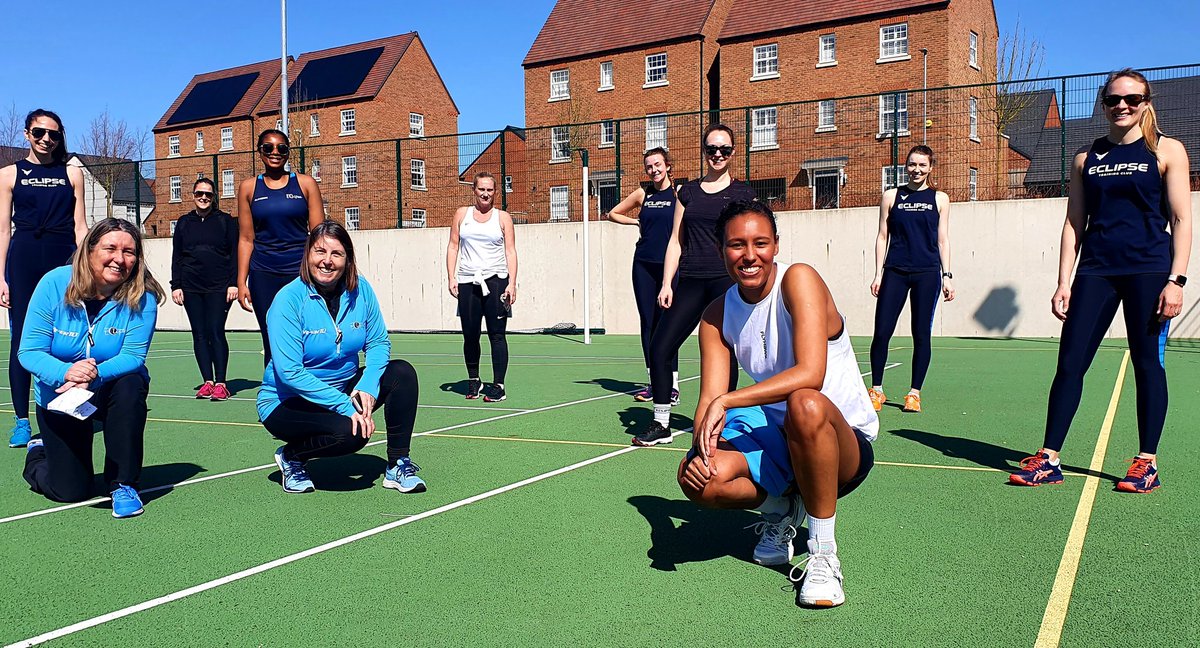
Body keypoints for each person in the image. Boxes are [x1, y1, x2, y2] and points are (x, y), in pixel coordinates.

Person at [678, 200, 877, 608]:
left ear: (776, 246)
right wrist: (701, 452)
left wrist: (729, 400)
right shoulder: (716, 315)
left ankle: (823, 554)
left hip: (841, 442)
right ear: (721, 251)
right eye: (737, 244)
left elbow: (811, 374)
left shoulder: (799, 279)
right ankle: (783, 508)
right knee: (698, 478)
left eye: (760, 243)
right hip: (781, 438)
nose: (749, 255)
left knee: (805, 403)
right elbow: (708, 400)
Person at [1011, 69, 1192, 493]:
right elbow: (1074, 222)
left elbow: (1182, 219)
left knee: (1147, 363)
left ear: (1146, 102)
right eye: (1113, 100)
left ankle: (1146, 463)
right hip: (1095, 271)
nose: (1122, 106)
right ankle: (1049, 458)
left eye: (1132, 98)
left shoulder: (1167, 150)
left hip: (1149, 270)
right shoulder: (1085, 157)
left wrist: (1177, 280)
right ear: (1104, 104)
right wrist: (1063, 282)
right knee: (1070, 363)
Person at [258, 221, 424, 494]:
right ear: (308, 255)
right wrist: (345, 406)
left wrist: (368, 383)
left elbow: (378, 342)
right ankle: (292, 457)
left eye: (336, 254)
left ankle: (397, 465)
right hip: (288, 401)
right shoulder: (288, 300)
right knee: (351, 433)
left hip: (342, 387)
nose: (327, 261)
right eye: (320, 252)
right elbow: (290, 372)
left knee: (402, 374)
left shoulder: (361, 290)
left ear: (347, 259)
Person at [19, 218, 163, 518]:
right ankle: (38, 452)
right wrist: (65, 373)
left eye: (129, 252)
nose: (119, 259)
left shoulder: (143, 296)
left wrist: (93, 374)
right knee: (70, 490)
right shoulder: (54, 284)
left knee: (131, 383)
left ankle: (123, 484)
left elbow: (133, 356)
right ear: (89, 250)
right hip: (60, 394)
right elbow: (30, 352)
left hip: (107, 389)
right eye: (110, 248)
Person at [634, 124, 756, 446]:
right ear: (704, 151)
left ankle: (722, 424)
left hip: (726, 284)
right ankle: (661, 423)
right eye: (712, 148)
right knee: (660, 346)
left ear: (732, 152)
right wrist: (667, 284)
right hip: (689, 281)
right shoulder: (687, 192)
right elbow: (675, 241)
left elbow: (754, 239)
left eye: (724, 149)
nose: (718, 154)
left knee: (725, 355)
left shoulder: (743, 194)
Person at [0, 109, 88, 447]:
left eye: (53, 134)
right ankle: (22, 420)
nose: (46, 139)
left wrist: (85, 267)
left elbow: (81, 227)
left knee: (68, 334)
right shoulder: (9, 174)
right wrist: (1, 277)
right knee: (22, 339)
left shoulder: (73, 173)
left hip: (63, 257)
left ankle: (68, 407)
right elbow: (3, 230)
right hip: (24, 258)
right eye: (39, 132)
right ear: (27, 134)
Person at [866, 145, 954, 414]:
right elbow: (882, 236)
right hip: (895, 272)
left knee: (921, 333)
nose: (917, 170)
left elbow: (943, 240)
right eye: (912, 164)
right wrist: (878, 273)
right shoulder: (891, 196)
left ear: (931, 168)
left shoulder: (940, 199)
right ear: (906, 166)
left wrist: (947, 275)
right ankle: (877, 390)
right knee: (882, 331)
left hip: (927, 273)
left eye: (922, 165)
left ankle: (914, 393)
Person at [236, 129, 324, 366]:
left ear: (287, 152)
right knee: (271, 338)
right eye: (268, 147)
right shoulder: (248, 188)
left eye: (281, 148)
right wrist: (241, 282)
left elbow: (319, 237)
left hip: (300, 273)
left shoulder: (305, 184)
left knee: (306, 335)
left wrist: (319, 274)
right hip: (263, 274)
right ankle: (274, 387)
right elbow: (246, 239)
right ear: (259, 152)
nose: (275, 152)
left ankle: (307, 384)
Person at [606, 147, 679, 403]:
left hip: (669, 266)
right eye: (649, 166)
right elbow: (612, 213)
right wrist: (636, 222)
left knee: (667, 324)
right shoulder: (642, 193)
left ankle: (672, 385)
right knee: (648, 323)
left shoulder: (679, 193)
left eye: (658, 164)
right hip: (643, 265)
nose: (654, 170)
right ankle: (654, 382)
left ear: (667, 165)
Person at [445, 172, 517, 402]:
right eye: (481, 189)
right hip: (468, 282)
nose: (485, 194)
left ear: (495, 192)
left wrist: (512, 284)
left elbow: (510, 251)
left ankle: (498, 386)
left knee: (497, 335)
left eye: (490, 190)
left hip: (496, 281)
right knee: (470, 335)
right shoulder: (461, 214)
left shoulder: (503, 218)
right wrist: (451, 277)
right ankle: (474, 379)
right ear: (474, 190)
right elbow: (453, 246)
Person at [170, 178, 238, 400]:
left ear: (214, 197)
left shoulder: (226, 221)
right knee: (199, 334)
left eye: (208, 194)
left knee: (215, 331)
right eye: (200, 193)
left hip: (219, 286)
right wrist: (176, 285)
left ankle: (221, 383)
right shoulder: (184, 222)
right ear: (193, 195)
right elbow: (177, 256)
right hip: (191, 287)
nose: (203, 198)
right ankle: (208, 381)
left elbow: (235, 254)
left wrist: (234, 283)